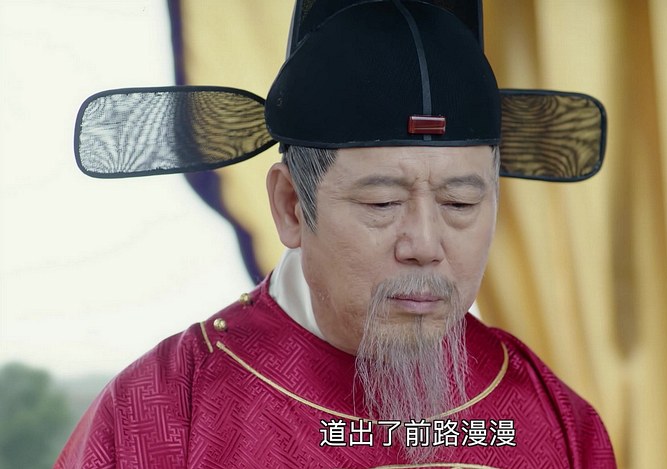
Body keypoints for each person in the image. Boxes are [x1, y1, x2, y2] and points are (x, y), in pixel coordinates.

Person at [58, 0, 616, 467]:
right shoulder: (164, 410)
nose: (425, 245)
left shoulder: (553, 419)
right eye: (382, 203)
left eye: (460, 203)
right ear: (291, 207)